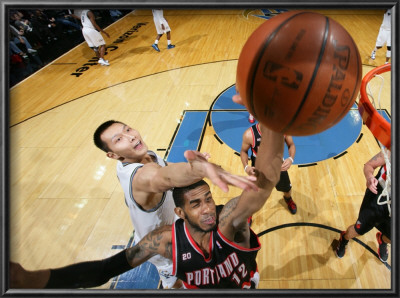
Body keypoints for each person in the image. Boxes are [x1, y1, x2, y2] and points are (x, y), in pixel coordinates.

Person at [10, 93, 284, 289]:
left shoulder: (227, 219)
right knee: (173, 281)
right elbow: (104, 270)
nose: (130, 137)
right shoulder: (159, 235)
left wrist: (272, 125)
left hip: (240, 280)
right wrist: (33, 280)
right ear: (113, 155)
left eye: (128, 129)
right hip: (167, 253)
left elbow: (262, 187)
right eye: (119, 139)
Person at [335, 149, 391, 262]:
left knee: (392, 237)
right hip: (377, 197)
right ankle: (344, 238)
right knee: (358, 230)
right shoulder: (392, 150)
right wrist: (369, 177)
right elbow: (369, 165)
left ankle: (382, 240)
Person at [241, 122, 297, 214]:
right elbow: (244, 151)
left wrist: (291, 159)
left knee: (286, 188)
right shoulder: (250, 134)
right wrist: (246, 167)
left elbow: (291, 144)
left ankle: (288, 199)